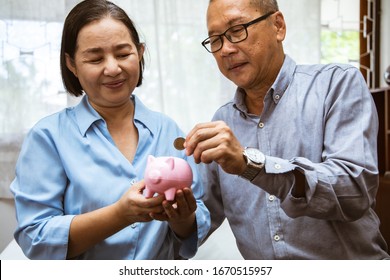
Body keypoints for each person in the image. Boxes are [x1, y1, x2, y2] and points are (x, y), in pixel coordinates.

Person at [185, 0, 390, 259]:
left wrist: (251, 164)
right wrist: (177, 212)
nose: (225, 49)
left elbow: (354, 191)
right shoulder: (223, 120)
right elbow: (199, 223)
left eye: (237, 30)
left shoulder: (337, 84)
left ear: (278, 26)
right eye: (214, 40)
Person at [10, 0, 210, 260]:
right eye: (95, 58)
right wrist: (119, 215)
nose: (113, 68)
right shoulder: (48, 137)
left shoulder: (167, 130)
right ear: (72, 64)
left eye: (123, 54)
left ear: (140, 53)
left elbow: (196, 221)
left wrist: (183, 218)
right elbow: (35, 237)